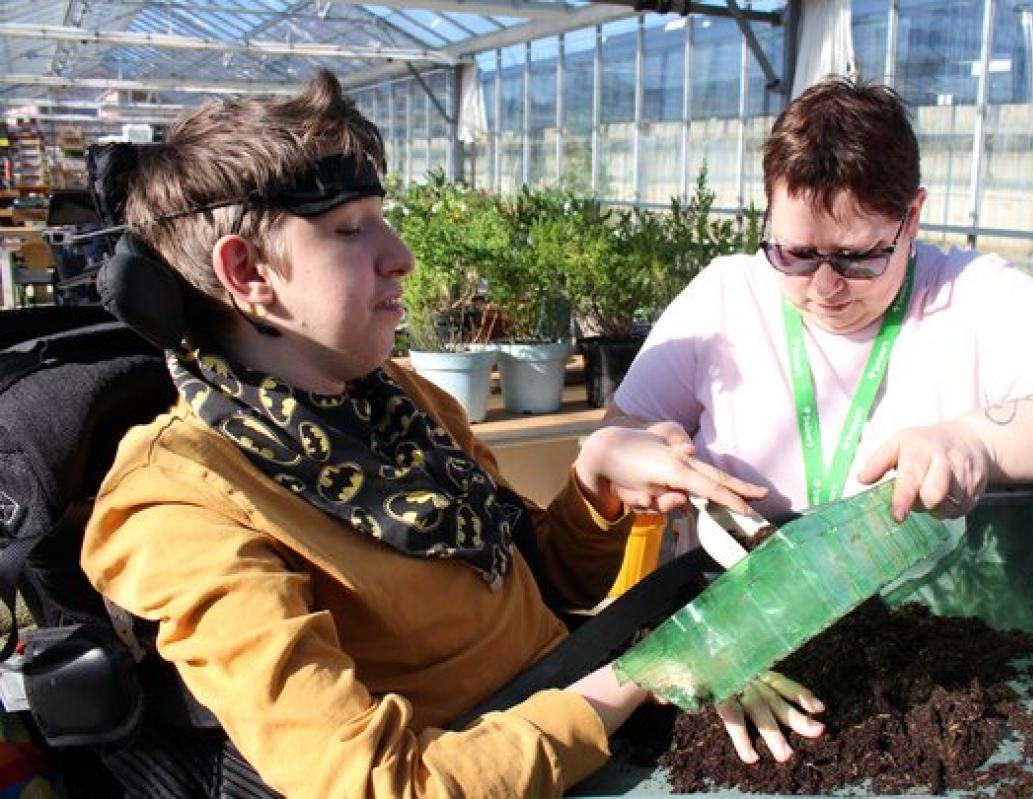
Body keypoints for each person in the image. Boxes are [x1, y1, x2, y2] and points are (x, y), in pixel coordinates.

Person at [80, 71, 768, 798]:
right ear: (248, 272)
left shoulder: (401, 401)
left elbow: (537, 582)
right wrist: (631, 679)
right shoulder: (178, 505)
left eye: (383, 215)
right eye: (350, 228)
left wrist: (595, 484)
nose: (400, 253)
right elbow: (378, 783)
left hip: (572, 710)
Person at [606, 77, 1033, 761]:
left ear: (913, 216)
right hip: (742, 641)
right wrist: (633, 451)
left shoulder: (970, 297)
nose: (823, 286)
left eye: (857, 256)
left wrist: (976, 440)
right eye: (794, 252)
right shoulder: (726, 296)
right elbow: (623, 433)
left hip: (925, 644)